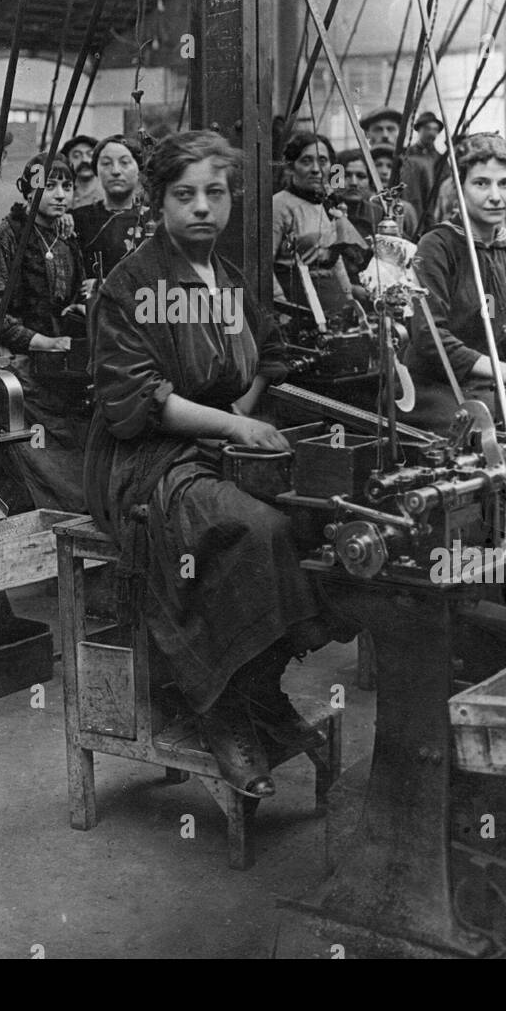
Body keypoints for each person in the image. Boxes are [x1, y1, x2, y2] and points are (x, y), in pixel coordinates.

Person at [85, 130, 353, 798]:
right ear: (158, 203)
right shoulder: (130, 285)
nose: (201, 207)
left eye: (214, 193)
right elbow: (142, 399)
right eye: (184, 195)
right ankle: (219, 708)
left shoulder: (227, 279)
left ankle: (259, 689)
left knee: (315, 518)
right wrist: (236, 423)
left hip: (217, 443)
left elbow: (267, 356)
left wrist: (245, 415)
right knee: (251, 532)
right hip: (145, 458)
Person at [405, 133, 506, 431]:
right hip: (434, 391)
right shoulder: (437, 246)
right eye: (481, 183)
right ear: (458, 189)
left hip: (492, 386)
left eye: (505, 183)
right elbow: (430, 338)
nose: (496, 196)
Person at [0, 153, 88, 512]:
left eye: (66, 186)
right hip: (18, 368)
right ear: (27, 191)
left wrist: (78, 305)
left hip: (59, 367)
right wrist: (42, 342)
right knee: (42, 461)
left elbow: (63, 298)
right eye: (48, 186)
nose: (58, 195)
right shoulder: (7, 237)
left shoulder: (65, 237)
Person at [271, 132, 366, 317]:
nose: (316, 169)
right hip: (297, 301)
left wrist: (349, 300)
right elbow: (265, 266)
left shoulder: (327, 203)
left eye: (322, 161)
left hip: (331, 299)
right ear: (291, 167)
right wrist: (283, 310)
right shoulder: (279, 205)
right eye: (306, 161)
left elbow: (335, 258)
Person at [72, 133, 150, 284]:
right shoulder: (78, 219)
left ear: (138, 169)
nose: (115, 171)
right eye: (106, 163)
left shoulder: (155, 219)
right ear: (96, 170)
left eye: (124, 163)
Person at [61, 134, 102, 210]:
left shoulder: (108, 193)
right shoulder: (61, 195)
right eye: (76, 156)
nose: (84, 160)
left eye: (90, 155)